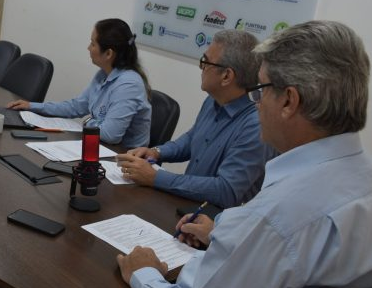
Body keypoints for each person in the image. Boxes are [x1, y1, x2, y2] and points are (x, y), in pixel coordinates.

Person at [18, 20, 372, 288]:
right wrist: (222, 230)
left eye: (261, 91)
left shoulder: (271, 220)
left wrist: (144, 273)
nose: (255, 103)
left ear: (289, 101)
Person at [117, 29, 274, 208]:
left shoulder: (256, 126)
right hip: (185, 203)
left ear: (226, 76)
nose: (201, 68)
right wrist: (156, 152)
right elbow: (192, 139)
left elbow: (226, 190)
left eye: (205, 61)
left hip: (212, 218)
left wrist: (155, 177)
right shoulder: (213, 100)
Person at [8, 18, 152, 148]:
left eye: (93, 44)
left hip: (124, 156)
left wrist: (87, 122)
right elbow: (76, 106)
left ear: (108, 53)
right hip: (100, 147)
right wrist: (32, 106)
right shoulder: (103, 74)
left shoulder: (129, 85)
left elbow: (110, 135)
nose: (88, 48)